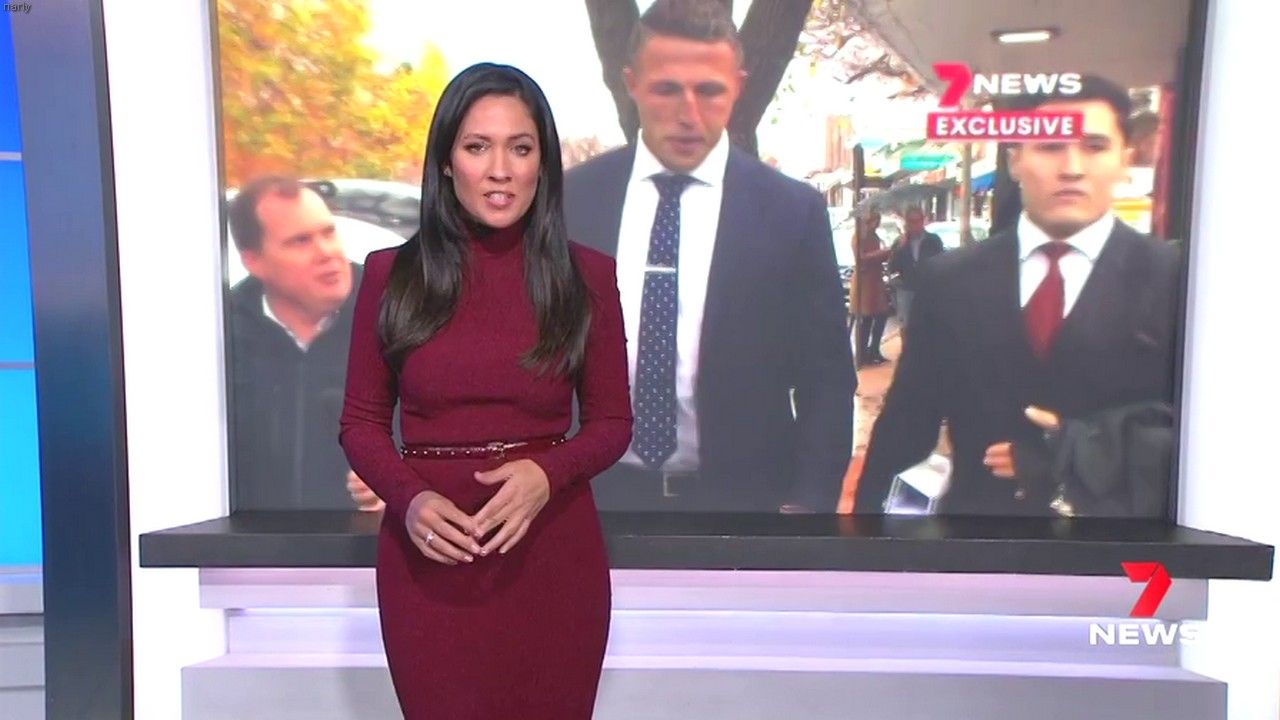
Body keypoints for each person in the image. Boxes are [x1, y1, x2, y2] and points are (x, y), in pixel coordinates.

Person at [338, 64, 631, 718]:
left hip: (552, 556)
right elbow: (359, 423)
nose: (500, 170)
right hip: (429, 561)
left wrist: (546, 475)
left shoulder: (584, 276)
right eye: (478, 147)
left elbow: (612, 423)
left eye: (520, 148)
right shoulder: (391, 275)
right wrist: (410, 499)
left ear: (542, 164)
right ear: (447, 163)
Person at [563, 0, 855, 512]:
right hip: (592, 501)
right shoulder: (571, 200)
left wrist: (810, 503)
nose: (688, 114)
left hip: (744, 507)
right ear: (632, 83)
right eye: (667, 89)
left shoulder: (791, 212)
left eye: (709, 90)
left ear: (737, 86)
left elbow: (826, 375)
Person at [855, 75, 1181, 516]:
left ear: (1126, 160)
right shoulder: (951, 280)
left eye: (1094, 146)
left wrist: (1075, 449)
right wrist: (863, 538)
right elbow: (907, 423)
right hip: (977, 537)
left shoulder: (1173, 278)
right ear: (1014, 160)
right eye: (1050, 146)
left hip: (1118, 545)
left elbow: (1211, 437)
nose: (1072, 167)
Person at [227, 175, 366, 510]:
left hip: (374, 540)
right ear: (254, 261)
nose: (327, 253)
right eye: (300, 241)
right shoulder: (223, 336)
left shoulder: (399, 318)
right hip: (254, 540)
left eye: (328, 233)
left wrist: (404, 485)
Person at [887, 206, 944, 329]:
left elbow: (941, 262)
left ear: (923, 221)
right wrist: (900, 247)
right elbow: (892, 266)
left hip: (927, 288)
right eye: (912, 221)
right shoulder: (900, 242)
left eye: (918, 221)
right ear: (907, 223)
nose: (915, 225)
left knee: (928, 325)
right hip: (907, 288)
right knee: (906, 325)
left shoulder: (933, 240)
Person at [852, 210, 892, 365]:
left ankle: (874, 349)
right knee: (866, 318)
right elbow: (861, 257)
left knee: (881, 314)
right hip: (864, 281)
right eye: (875, 220)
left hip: (875, 280)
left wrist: (886, 254)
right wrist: (880, 253)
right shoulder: (858, 237)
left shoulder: (875, 236)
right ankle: (862, 352)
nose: (877, 224)